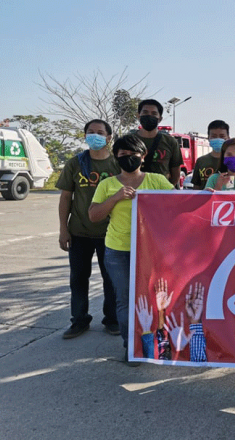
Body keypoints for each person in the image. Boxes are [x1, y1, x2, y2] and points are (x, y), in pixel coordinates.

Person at [88, 134, 174, 364]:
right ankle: (132, 347)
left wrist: (206, 193)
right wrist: (115, 198)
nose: (128, 158)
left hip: (152, 250)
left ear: (143, 156)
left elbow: (180, 202)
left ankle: (157, 343)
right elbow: (94, 215)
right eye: (123, 155)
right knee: (125, 300)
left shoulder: (156, 180)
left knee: (155, 298)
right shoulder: (108, 184)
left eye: (133, 154)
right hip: (119, 250)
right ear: (116, 157)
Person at [57, 119, 121, 339]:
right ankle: (79, 320)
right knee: (78, 279)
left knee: (111, 279)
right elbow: (66, 197)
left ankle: (112, 319)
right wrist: (63, 229)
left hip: (110, 234)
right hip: (79, 232)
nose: (95, 136)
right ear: (84, 136)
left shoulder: (117, 165)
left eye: (100, 132)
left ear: (109, 137)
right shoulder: (76, 163)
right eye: (91, 132)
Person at [135, 99, 184, 187]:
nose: (149, 116)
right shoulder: (128, 140)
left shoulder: (170, 141)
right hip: (134, 194)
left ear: (160, 119)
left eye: (154, 114)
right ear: (138, 115)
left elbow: (175, 173)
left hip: (161, 194)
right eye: (145, 112)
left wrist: (165, 191)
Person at [192, 119, 229, 190]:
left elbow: (231, 188)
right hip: (205, 200)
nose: (218, 139)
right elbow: (196, 188)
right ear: (208, 138)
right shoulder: (201, 161)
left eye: (222, 136)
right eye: (214, 136)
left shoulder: (231, 161)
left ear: (228, 138)